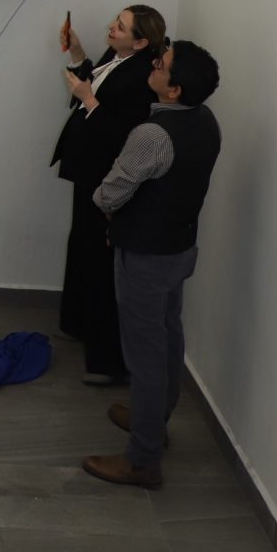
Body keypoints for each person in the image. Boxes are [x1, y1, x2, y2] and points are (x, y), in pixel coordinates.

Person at [82, 39, 222, 489]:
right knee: (167, 335)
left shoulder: (152, 135)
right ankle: (154, 420)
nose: (156, 64)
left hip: (145, 255)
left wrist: (107, 206)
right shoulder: (206, 121)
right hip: (180, 249)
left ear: (174, 89)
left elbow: (110, 192)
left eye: (163, 64)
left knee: (144, 355)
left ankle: (142, 459)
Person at [52, 4, 166, 385]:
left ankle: (106, 361)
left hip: (105, 176)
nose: (112, 29)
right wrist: (77, 50)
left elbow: (122, 134)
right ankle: (77, 323)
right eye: (116, 22)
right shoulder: (119, 56)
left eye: (120, 27)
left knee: (99, 259)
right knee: (82, 245)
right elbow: (97, 81)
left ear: (141, 42)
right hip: (88, 169)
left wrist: (87, 99)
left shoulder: (141, 77)